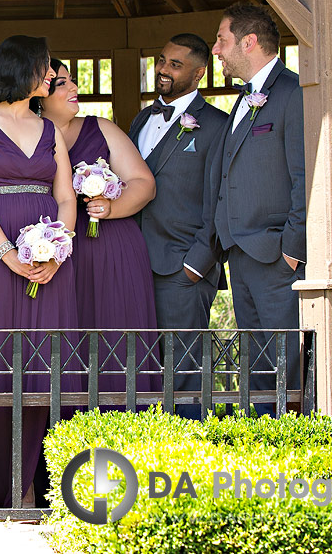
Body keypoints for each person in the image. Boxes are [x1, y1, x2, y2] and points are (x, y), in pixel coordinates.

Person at [0, 35, 75, 508]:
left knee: (47, 365)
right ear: (24, 70)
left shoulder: (50, 131)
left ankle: (37, 488)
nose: (52, 77)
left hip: (50, 262)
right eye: (46, 69)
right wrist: (9, 253)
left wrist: (56, 250)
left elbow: (66, 197)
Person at [37, 59, 159, 409]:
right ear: (39, 93)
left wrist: (110, 207)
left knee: (117, 342)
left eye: (73, 82)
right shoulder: (25, 134)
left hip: (111, 252)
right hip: (57, 260)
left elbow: (143, 183)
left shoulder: (100, 128)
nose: (74, 88)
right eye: (62, 83)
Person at [209, 3, 306, 411]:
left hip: (276, 257)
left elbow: (306, 175)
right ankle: (265, 452)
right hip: (241, 255)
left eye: (222, 39)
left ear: (249, 42)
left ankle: (301, 453)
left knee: (290, 369)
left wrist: (291, 250)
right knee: (260, 370)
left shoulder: (294, 92)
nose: (216, 49)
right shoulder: (244, 98)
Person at [126, 35, 229, 418]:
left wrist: (198, 262)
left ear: (200, 72)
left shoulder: (218, 125)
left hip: (182, 268)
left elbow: (223, 197)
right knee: (142, 368)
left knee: (184, 373)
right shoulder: (141, 119)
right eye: (161, 60)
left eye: (175, 64)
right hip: (135, 263)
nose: (163, 70)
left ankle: (187, 460)